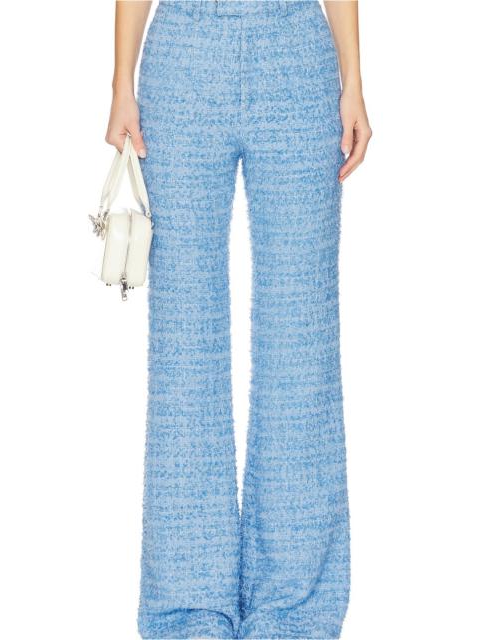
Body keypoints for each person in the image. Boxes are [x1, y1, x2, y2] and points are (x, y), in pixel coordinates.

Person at [106, 1, 371, 638]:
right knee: (183, 345)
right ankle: (187, 606)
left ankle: (295, 606)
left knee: (301, 340)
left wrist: (354, 79)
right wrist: (121, 83)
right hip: (183, 55)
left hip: (298, 53)